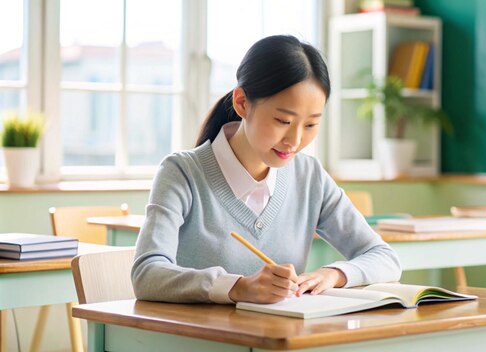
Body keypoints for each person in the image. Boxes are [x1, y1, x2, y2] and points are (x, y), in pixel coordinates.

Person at [131, 35, 401, 304]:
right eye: (283, 120)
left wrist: (333, 274)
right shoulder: (182, 172)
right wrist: (235, 287)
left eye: (310, 125)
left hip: (277, 341)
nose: (295, 141)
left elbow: (384, 257)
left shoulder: (309, 176)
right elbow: (147, 273)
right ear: (242, 103)